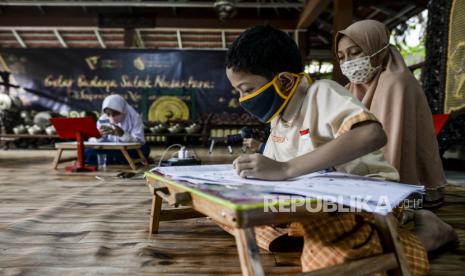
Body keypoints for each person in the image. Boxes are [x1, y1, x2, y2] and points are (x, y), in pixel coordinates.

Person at [225, 25, 457, 274]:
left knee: (334, 262)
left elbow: (372, 134)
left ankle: (428, 235)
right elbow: (273, 171)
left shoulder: (321, 93)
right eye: (239, 91)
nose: (242, 99)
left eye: (247, 90)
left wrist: (286, 169)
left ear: (283, 81)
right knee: (235, 218)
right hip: (318, 204)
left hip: (364, 198)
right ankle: (319, 240)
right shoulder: (279, 118)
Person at [336, 20, 446, 208]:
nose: (348, 63)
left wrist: (381, 190)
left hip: (402, 185)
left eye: (355, 53)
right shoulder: (352, 88)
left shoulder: (396, 83)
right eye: (341, 57)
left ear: (377, 48)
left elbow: (389, 146)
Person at [85, 94, 150, 165]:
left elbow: (139, 142)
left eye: (115, 114)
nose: (112, 118)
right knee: (87, 152)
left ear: (123, 110)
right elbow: (94, 141)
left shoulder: (134, 118)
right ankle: (122, 160)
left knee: (145, 149)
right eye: (108, 114)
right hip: (111, 150)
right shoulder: (103, 119)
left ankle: (114, 160)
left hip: (129, 150)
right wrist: (98, 137)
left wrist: (123, 134)